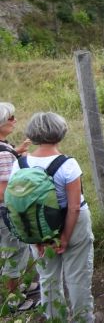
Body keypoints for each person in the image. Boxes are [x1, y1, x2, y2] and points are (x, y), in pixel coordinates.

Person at [11, 112, 94, 321]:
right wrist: (65, 236)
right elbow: (74, 207)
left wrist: (36, 238)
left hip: (37, 226)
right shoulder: (67, 164)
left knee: (47, 278)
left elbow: (18, 203)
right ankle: (83, 318)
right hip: (72, 224)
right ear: (60, 133)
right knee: (77, 277)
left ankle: (55, 317)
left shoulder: (20, 164)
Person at [0, 102, 35, 311]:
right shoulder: (4, 154)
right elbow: (3, 191)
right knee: (15, 250)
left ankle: (20, 285)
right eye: (10, 118)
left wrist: (15, 151)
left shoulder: (5, 148)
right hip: (7, 211)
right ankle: (13, 299)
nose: (14, 121)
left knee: (13, 249)